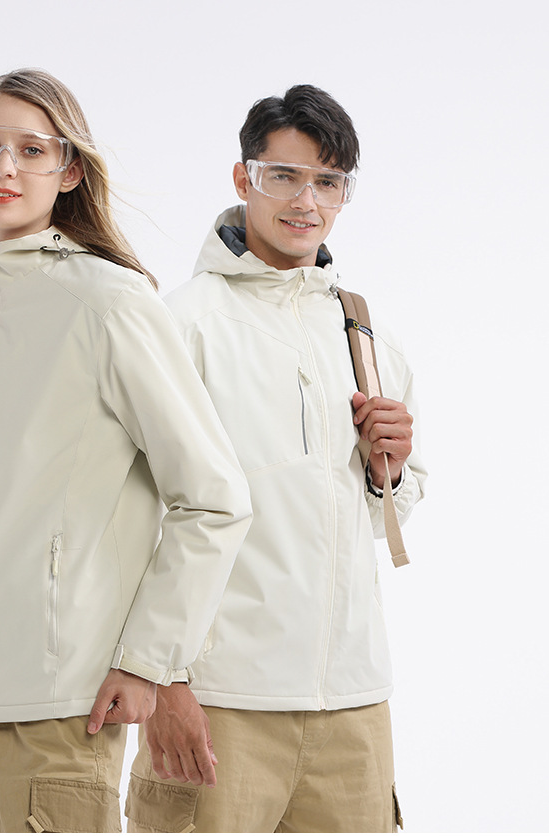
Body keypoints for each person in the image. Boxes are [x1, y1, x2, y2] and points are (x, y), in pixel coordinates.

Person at [0, 68, 252, 833]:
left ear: (70, 169)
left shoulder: (110, 304)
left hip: (58, 700)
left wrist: (148, 659)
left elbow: (213, 498)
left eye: (30, 149)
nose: (3, 167)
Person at [125, 84, 427, 833]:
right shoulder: (182, 325)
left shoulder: (364, 331)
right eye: (283, 176)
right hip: (220, 699)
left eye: (328, 182)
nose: (306, 201)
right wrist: (166, 679)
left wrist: (388, 470)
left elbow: (381, 513)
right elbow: (130, 514)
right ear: (243, 177)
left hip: (354, 701)